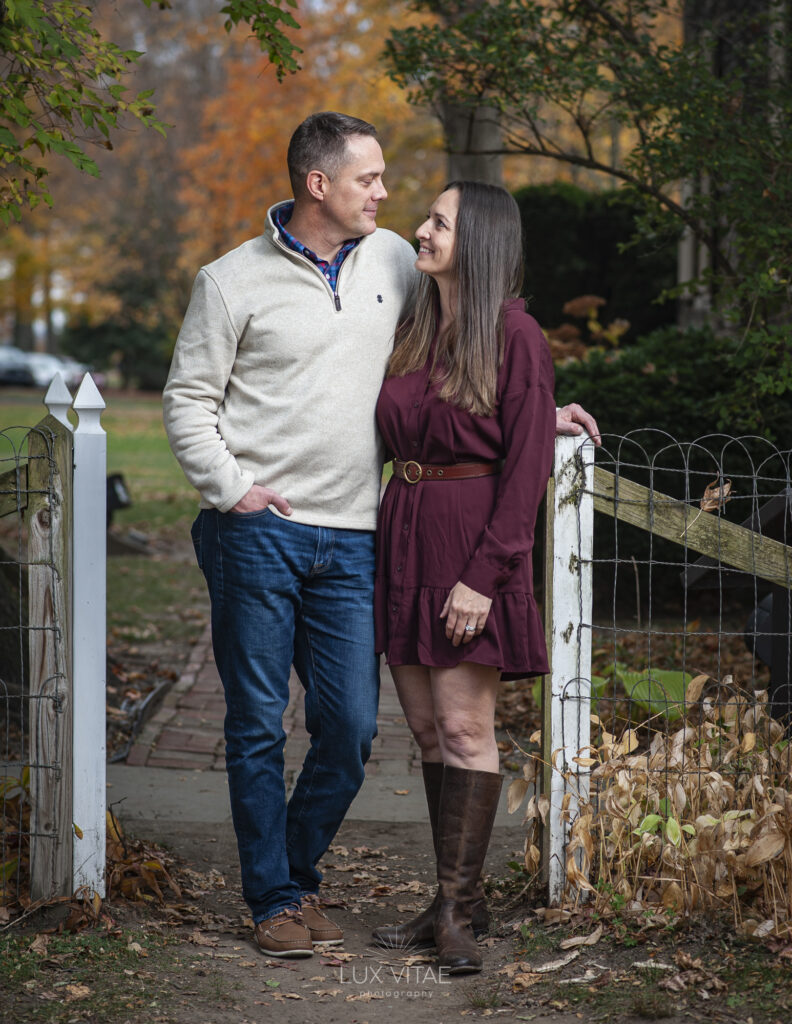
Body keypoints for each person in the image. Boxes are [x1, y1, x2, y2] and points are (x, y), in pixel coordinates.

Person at [163, 110, 599, 962]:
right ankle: (276, 898)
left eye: (410, 197)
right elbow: (187, 402)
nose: (390, 198)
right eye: (371, 179)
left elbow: (484, 363)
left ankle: (326, 883)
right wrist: (234, 491)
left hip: (361, 538)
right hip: (265, 532)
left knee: (353, 727)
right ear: (319, 184)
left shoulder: (395, 258)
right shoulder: (230, 281)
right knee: (257, 724)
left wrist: (540, 419)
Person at [371, 181, 556, 974]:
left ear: (476, 239)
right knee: (424, 729)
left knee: (467, 730)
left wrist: (484, 576)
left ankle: (456, 913)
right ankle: (453, 898)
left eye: (438, 223)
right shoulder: (416, 324)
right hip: (405, 535)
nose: (420, 229)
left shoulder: (516, 334)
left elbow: (526, 470)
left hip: (471, 549)